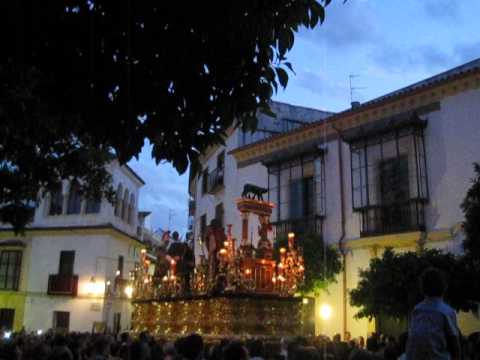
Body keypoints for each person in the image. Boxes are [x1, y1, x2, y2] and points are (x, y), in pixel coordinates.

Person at [406, 267, 461, 360]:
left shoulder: (417, 309)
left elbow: (411, 338)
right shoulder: (446, 311)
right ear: (444, 286)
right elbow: (454, 342)